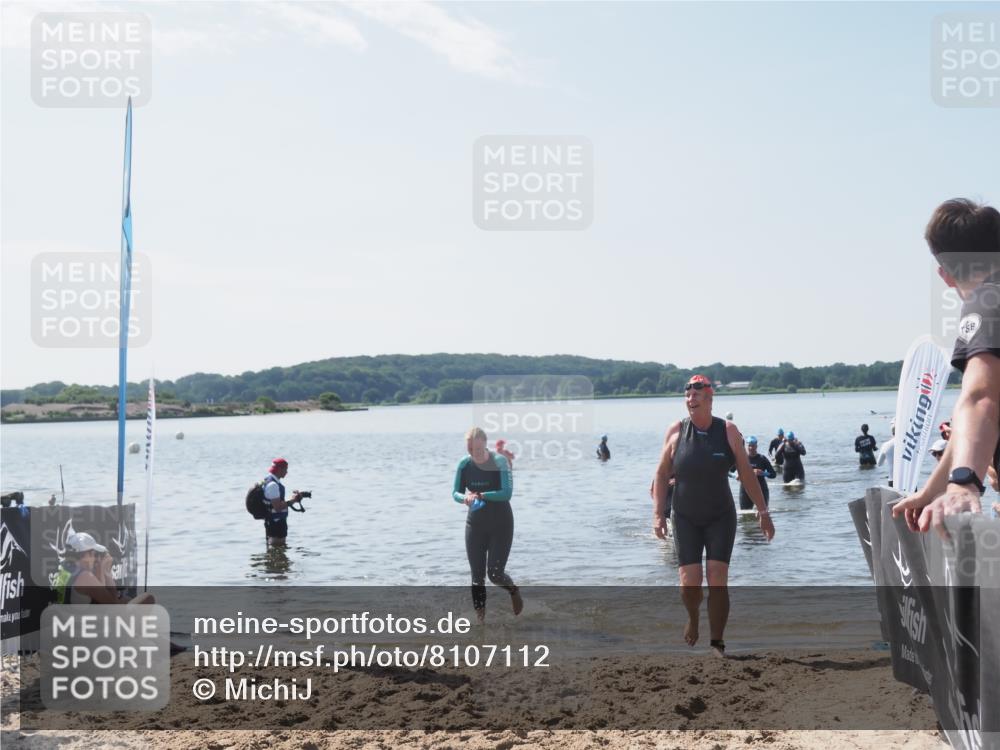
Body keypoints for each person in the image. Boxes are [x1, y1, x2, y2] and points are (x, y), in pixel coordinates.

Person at [893, 199, 1000, 537]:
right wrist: (934, 488)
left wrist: (964, 483)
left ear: (944, 272)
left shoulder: (986, 302)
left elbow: (981, 398)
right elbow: (969, 419)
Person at [652, 375, 775, 656]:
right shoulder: (675, 431)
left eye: (696, 394)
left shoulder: (728, 431)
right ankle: (693, 619)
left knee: (718, 576)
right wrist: (658, 514)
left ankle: (717, 641)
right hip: (684, 515)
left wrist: (763, 511)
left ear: (709, 399)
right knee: (689, 581)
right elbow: (660, 474)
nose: (690, 398)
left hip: (720, 515)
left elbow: (746, 473)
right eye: (687, 394)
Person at [452, 427, 522, 622]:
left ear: (485, 444)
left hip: (501, 524)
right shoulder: (464, 465)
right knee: (476, 578)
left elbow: (506, 493)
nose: (474, 454)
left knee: (495, 574)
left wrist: (482, 495)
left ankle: (514, 591)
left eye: (477, 449)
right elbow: (455, 493)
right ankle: (480, 621)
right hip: (475, 524)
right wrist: (465, 498)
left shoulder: (499, 462)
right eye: (470, 449)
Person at [52, 532, 153, 605]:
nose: (96, 558)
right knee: (148, 598)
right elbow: (112, 603)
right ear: (85, 554)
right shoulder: (85, 577)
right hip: (80, 628)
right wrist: (105, 571)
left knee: (125, 600)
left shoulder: (65, 567)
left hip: (68, 620)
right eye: (94, 554)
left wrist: (99, 570)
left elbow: (98, 598)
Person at [261, 458, 308, 546]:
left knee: (277, 552)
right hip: (276, 522)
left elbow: (276, 504)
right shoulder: (273, 485)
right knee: (278, 546)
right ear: (280, 470)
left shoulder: (268, 480)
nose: (286, 472)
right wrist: (293, 499)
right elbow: (278, 507)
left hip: (273, 521)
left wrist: (293, 500)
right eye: (286, 469)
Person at [741, 436, 776, 510]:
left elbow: (773, 474)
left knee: (763, 512)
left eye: (753, 446)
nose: (751, 448)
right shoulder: (742, 458)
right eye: (749, 446)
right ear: (747, 446)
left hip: (761, 489)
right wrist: (737, 476)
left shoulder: (762, 459)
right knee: (745, 514)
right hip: (746, 490)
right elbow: (729, 472)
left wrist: (763, 473)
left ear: (756, 446)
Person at [877, 422, 896, 486]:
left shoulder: (885, 445)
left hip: (892, 480)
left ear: (892, 432)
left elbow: (879, 463)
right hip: (908, 480)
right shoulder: (909, 444)